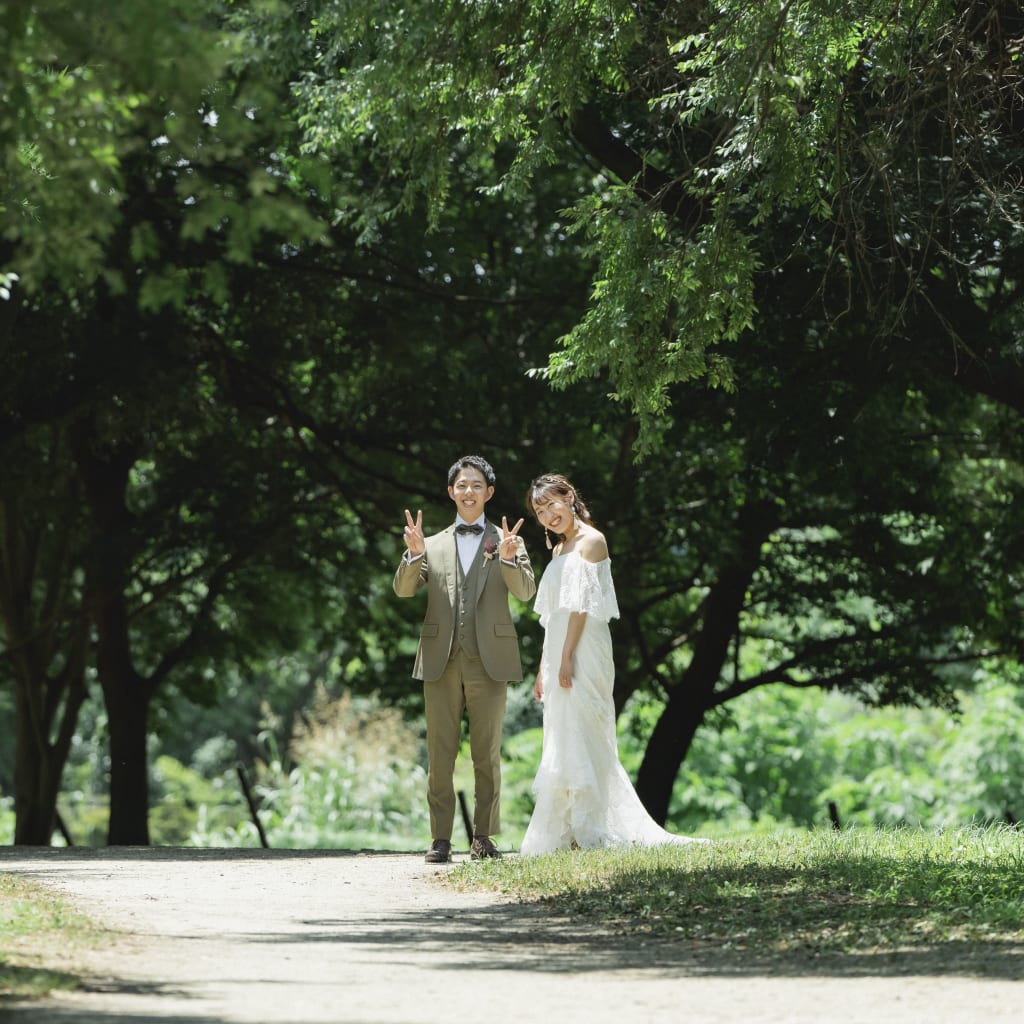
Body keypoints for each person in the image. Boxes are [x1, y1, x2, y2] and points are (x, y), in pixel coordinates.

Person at [519, 473, 708, 855]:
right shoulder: (558, 550)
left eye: (551, 504)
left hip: (584, 646)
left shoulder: (593, 541)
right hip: (558, 647)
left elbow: (580, 606)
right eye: (539, 511)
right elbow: (551, 616)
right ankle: (569, 831)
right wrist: (545, 665)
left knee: (586, 728)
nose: (547, 515)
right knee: (562, 732)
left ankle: (592, 825)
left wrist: (568, 655)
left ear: (569, 497)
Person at [394, 455, 536, 863]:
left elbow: (526, 592)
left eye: (477, 485)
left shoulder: (509, 541)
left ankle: (484, 837)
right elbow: (404, 590)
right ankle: (440, 838)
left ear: (488, 492)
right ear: (451, 492)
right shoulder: (432, 544)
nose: (468, 491)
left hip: (489, 659)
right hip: (441, 658)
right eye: (462, 485)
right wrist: (413, 554)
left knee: (486, 753)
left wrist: (507, 557)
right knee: (440, 753)